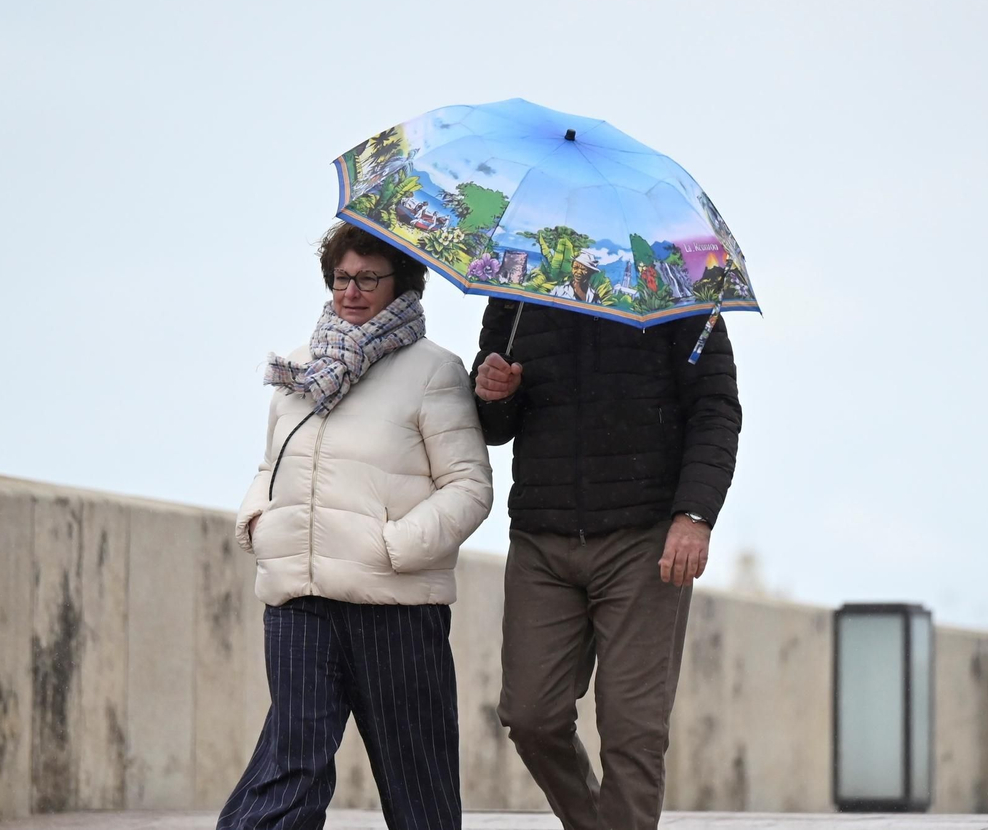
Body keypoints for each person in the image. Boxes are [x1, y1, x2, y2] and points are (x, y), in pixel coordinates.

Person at [219, 222, 494, 830]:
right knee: (293, 758)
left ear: (402, 286)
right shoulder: (296, 369)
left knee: (415, 778)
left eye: (369, 278)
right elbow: (271, 464)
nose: (352, 291)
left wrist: (391, 549)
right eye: (343, 277)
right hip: (299, 598)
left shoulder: (434, 371)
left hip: (392, 603)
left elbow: (471, 487)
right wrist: (259, 523)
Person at [471, 299, 741, 830]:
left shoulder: (676, 284)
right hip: (541, 536)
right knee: (530, 717)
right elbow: (493, 424)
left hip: (643, 539)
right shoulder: (520, 281)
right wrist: (490, 392)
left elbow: (716, 408)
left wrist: (694, 515)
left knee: (632, 731)